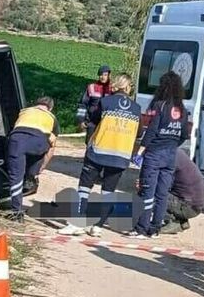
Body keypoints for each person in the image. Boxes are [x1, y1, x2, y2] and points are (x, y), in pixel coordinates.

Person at [58, 74, 142, 237]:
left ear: (116, 85)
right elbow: (139, 133)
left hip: (99, 151)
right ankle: (98, 226)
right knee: (108, 192)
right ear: (128, 87)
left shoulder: (105, 102)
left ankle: (78, 223)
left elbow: (93, 120)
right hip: (121, 156)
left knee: (84, 187)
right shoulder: (137, 109)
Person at [127, 71, 189, 240]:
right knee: (162, 193)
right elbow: (185, 134)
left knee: (147, 190)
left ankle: (141, 228)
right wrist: (172, 144)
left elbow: (152, 131)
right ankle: (155, 229)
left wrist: (140, 151)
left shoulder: (160, 106)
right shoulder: (182, 110)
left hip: (154, 154)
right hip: (170, 155)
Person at [6, 97, 59, 222]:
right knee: (40, 153)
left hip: (16, 140)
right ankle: (31, 176)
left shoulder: (24, 111)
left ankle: (17, 213)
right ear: (50, 108)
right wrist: (42, 167)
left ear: (36, 105)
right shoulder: (52, 118)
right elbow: (52, 147)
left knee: (15, 178)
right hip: (38, 142)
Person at [159, 148, 204, 234]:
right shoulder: (176, 152)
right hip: (194, 205)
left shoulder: (170, 158)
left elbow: (163, 186)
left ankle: (172, 222)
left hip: (188, 206)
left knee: (153, 194)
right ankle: (181, 221)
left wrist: (146, 184)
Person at [78, 65, 112, 145]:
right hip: (92, 122)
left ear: (109, 76)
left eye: (105, 75)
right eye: (101, 75)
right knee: (89, 143)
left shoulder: (113, 89)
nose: (103, 77)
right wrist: (81, 120)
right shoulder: (91, 87)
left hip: (107, 123)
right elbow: (83, 104)